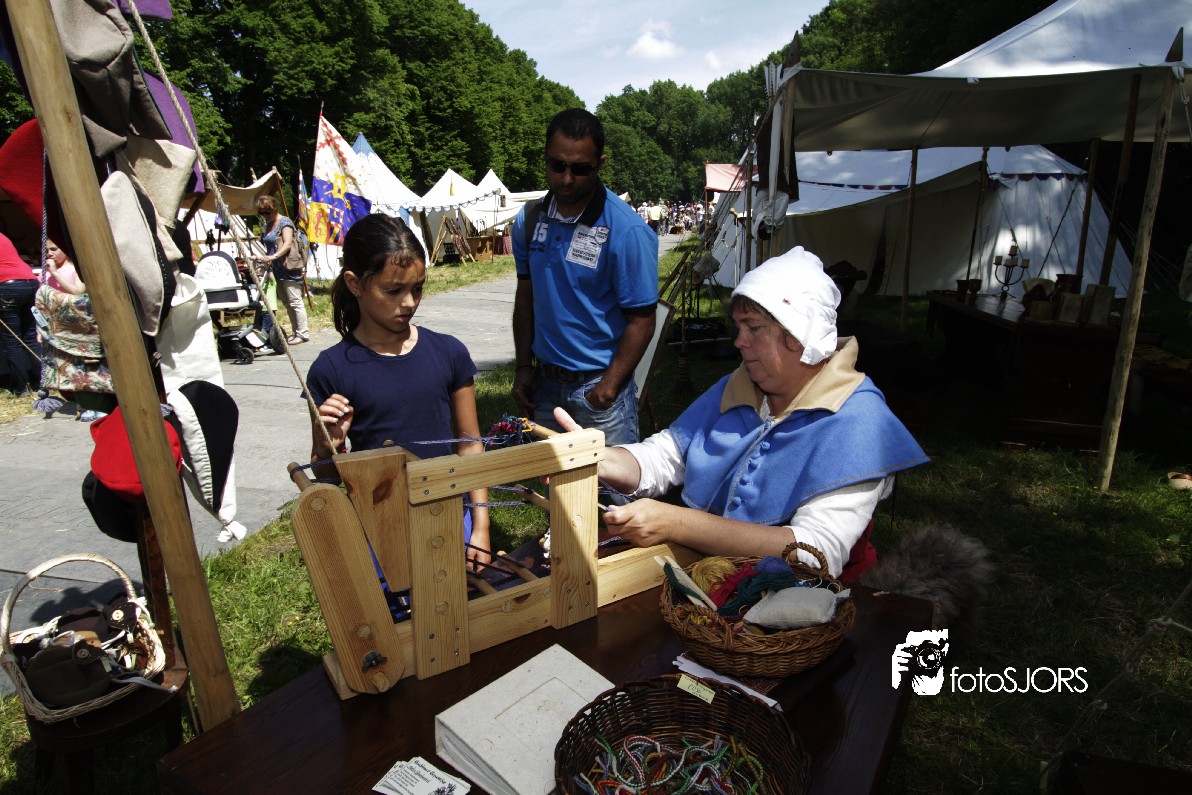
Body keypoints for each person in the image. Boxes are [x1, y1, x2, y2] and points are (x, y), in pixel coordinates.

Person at [555, 246, 929, 581]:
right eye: (739, 327)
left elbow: (815, 554)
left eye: (754, 328)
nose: (738, 341)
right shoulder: (740, 386)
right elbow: (667, 455)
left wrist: (678, 523)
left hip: (818, 605)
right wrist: (600, 459)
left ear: (800, 334)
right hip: (719, 580)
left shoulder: (860, 421)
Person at [306, 214, 490, 570]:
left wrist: (480, 527)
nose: (409, 303)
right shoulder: (331, 369)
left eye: (417, 288)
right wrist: (326, 445)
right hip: (379, 533)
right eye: (393, 291)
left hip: (453, 518)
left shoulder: (449, 353)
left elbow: (470, 445)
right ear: (355, 284)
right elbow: (326, 475)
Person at [511, 108, 658, 446]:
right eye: (557, 165)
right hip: (544, 387)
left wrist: (607, 388)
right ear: (546, 158)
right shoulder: (529, 220)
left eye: (580, 169)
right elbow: (525, 297)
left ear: (600, 163)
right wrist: (523, 367)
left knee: (611, 482)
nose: (566, 179)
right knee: (552, 482)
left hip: (599, 392)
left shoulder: (627, 231)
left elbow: (642, 321)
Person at [254, 195, 309, 344]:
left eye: (267, 212)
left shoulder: (284, 222)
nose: (265, 215)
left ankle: (303, 333)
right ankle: (295, 331)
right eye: (262, 213)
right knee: (286, 302)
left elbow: (288, 244)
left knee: (295, 300)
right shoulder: (268, 224)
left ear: (275, 208)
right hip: (276, 268)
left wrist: (273, 256)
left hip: (289, 266)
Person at [0, 232, 41, 396]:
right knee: (30, 336)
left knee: (12, 340)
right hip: (29, 281)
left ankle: (21, 388)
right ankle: (42, 382)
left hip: (7, 285)